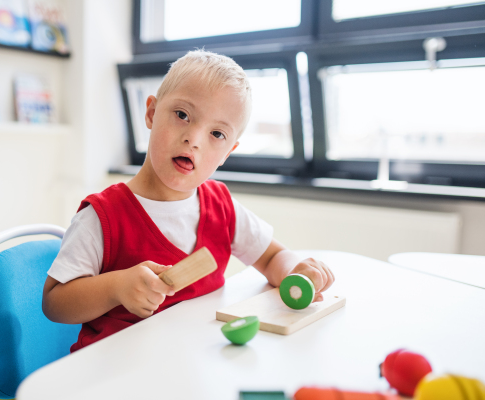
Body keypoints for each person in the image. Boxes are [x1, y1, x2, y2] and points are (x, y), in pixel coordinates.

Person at [42, 49, 335, 352]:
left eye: (216, 134)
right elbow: (55, 302)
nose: (194, 138)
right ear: (152, 113)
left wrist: (296, 269)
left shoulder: (221, 206)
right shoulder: (102, 217)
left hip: (191, 363)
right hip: (113, 369)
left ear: (227, 153)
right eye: (182, 115)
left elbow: (273, 258)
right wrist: (115, 288)